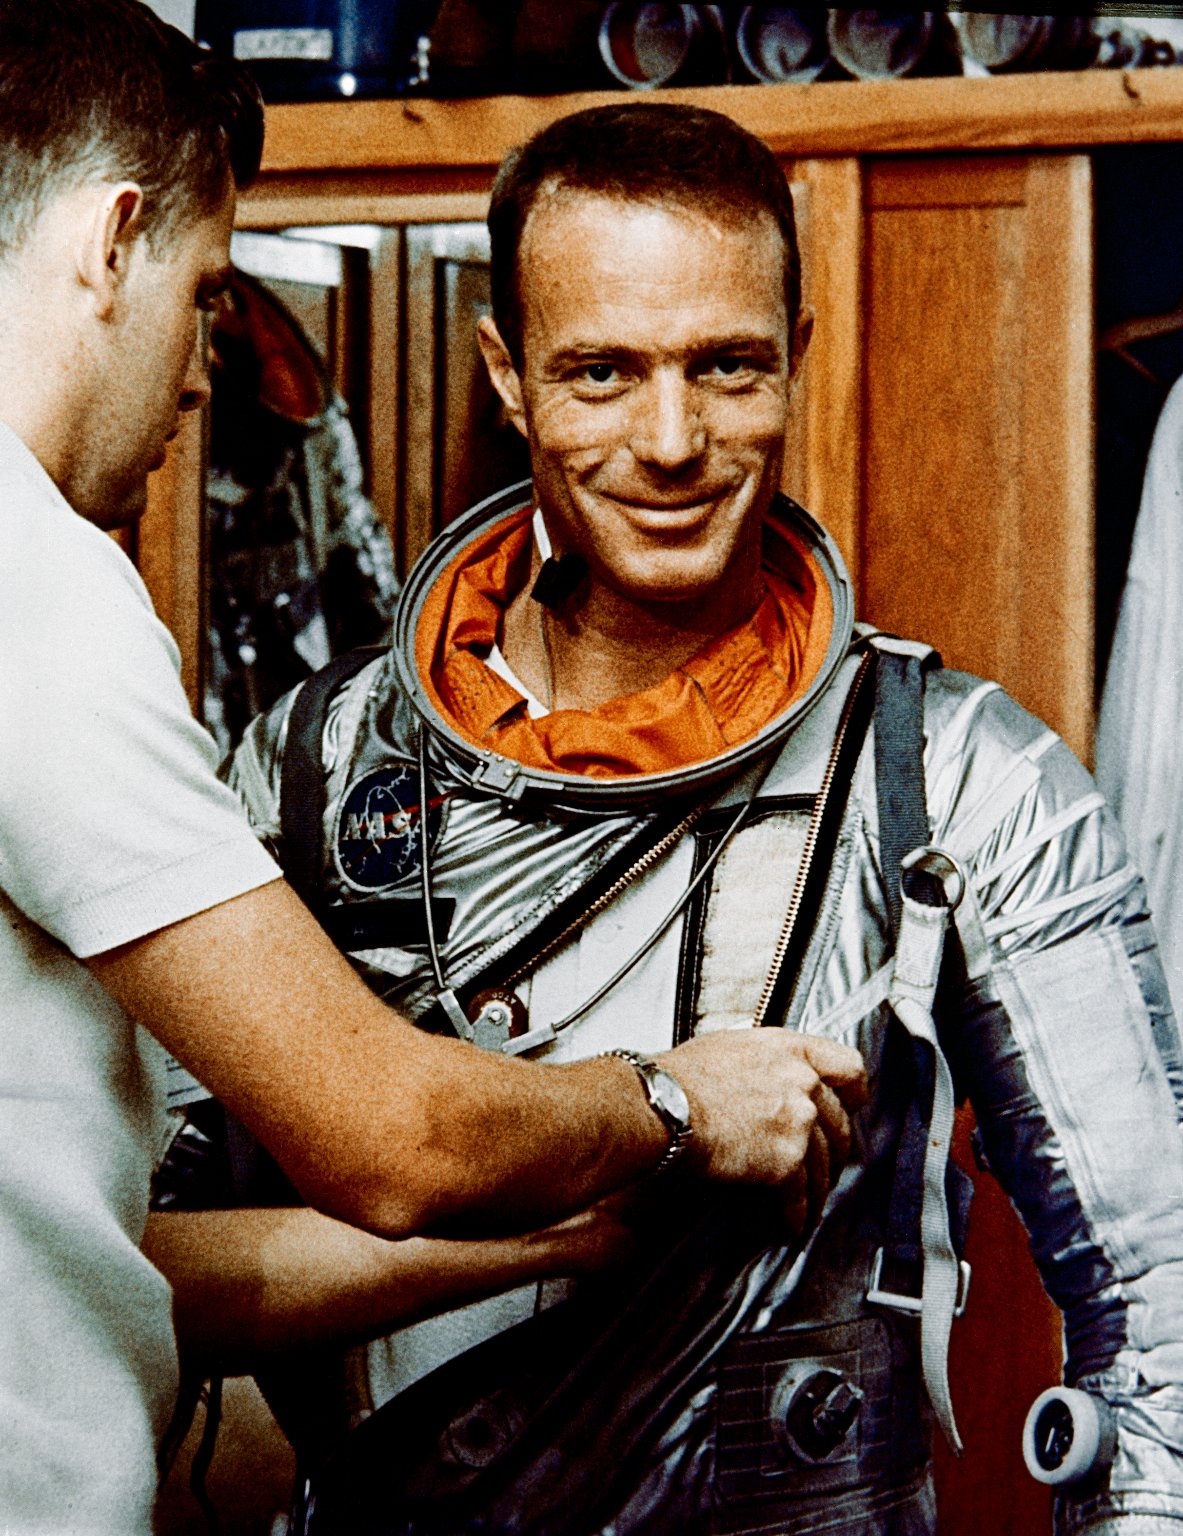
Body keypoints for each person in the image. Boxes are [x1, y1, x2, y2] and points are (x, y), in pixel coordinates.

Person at [222, 103, 1183, 1534]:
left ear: (798, 354)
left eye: (725, 367)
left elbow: (1161, 1311)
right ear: (506, 376)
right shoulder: (312, 771)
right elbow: (139, 1255)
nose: (670, 440)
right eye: (600, 373)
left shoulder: (965, 785)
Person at [0, 9, 868, 1533]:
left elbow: (123, 1246)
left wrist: (585, 1232)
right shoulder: (45, 599)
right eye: (208, 300)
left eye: (725, 369)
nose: (206, 381)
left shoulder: (956, 769)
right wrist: (674, 1098)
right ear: (112, 239)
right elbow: (392, 1136)